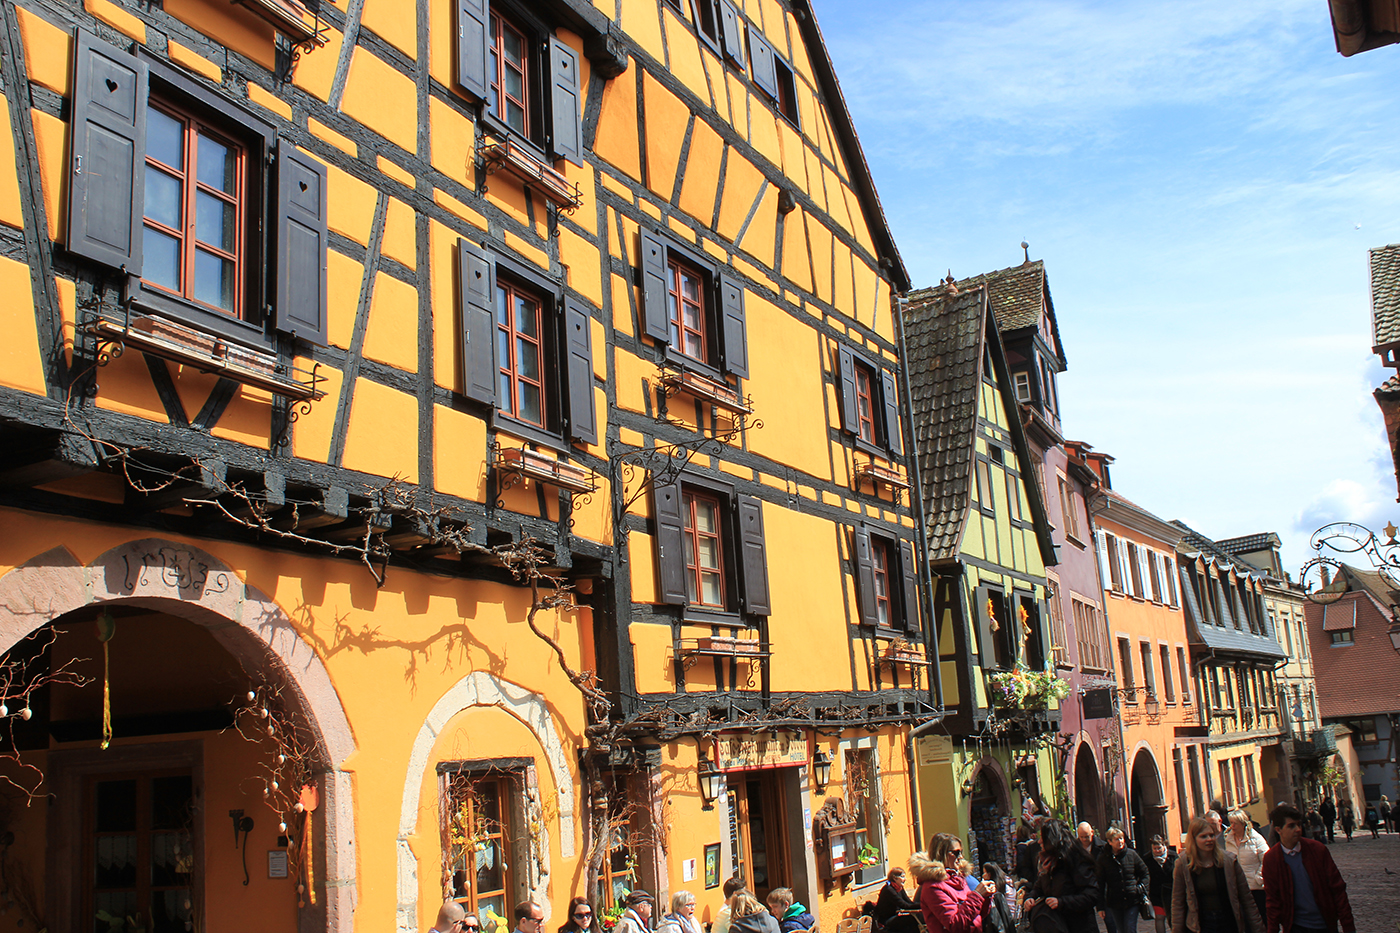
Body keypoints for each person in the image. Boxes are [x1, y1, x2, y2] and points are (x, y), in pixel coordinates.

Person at [1260, 804, 1355, 933]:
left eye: (1299, 825)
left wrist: (1348, 927)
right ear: (1278, 830)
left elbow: (1337, 889)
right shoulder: (1272, 859)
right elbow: (1272, 900)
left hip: (1324, 924)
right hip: (1296, 926)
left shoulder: (1317, 850)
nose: (1298, 829)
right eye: (1291, 826)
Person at [1170, 816, 1262, 933]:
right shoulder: (1183, 864)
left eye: (1211, 835)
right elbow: (1178, 902)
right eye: (1203, 836)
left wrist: (1258, 929)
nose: (1209, 839)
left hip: (1228, 921)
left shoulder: (1229, 861)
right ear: (1194, 839)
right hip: (1201, 924)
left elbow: (1246, 898)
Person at [909, 832, 996, 933]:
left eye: (961, 852)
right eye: (956, 853)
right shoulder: (933, 887)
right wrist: (978, 895)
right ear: (941, 854)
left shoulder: (959, 879)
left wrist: (985, 897)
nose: (961, 857)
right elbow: (956, 925)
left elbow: (976, 916)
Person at [1023, 820, 1096, 933]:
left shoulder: (1076, 860)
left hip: (1079, 926)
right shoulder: (1047, 863)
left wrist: (1061, 902)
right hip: (1056, 925)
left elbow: (1091, 895)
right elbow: (1039, 887)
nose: (1039, 841)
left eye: (1043, 837)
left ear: (1052, 841)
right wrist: (1030, 897)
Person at [1096, 826, 1149, 933]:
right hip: (1114, 901)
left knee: (1130, 928)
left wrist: (1140, 889)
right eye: (1117, 839)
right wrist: (1100, 907)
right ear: (1110, 842)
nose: (1120, 841)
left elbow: (1145, 873)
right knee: (1121, 930)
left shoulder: (1131, 854)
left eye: (1121, 838)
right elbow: (1100, 883)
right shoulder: (1103, 858)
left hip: (1132, 899)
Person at [1223, 810, 1268, 921]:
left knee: (1260, 918)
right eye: (1231, 823)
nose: (1232, 826)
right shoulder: (1229, 840)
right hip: (1239, 888)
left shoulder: (1256, 839)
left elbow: (1267, 860)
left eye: (1235, 823)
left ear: (1243, 823)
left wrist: (1259, 878)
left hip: (1256, 888)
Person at [1070, 823, 1110, 932]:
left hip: (1102, 887)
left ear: (1092, 832)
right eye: (1081, 837)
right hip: (1084, 889)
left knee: (1110, 921)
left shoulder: (1103, 847)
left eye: (1087, 836)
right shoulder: (1073, 849)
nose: (1084, 839)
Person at [874, 867, 921, 933]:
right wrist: (923, 905)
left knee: (912, 920)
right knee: (910, 920)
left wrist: (922, 905)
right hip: (886, 920)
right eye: (902, 877)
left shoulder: (899, 888)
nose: (905, 879)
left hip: (895, 916)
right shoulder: (888, 889)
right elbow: (904, 905)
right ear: (895, 878)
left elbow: (909, 902)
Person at [1145, 835, 1177, 933]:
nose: (1157, 851)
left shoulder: (1173, 857)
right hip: (1156, 893)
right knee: (1159, 917)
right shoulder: (1147, 859)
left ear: (1164, 846)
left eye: (1159, 848)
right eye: (1154, 848)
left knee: (1174, 919)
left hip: (1172, 892)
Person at [979, 862, 1016, 933]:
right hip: (1011, 916)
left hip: (1004, 918)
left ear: (989, 874)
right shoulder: (1007, 880)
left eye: (984, 873)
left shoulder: (996, 888)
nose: (983, 876)